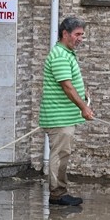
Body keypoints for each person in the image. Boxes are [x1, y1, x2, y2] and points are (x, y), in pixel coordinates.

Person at [39, 16, 95, 206]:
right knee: (60, 154)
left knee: (63, 153)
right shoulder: (60, 55)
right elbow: (67, 86)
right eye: (77, 34)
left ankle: (59, 191)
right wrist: (84, 107)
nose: (81, 39)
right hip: (59, 117)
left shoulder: (66, 53)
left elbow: (70, 84)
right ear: (65, 33)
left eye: (82, 35)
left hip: (64, 116)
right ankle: (57, 194)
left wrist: (83, 92)